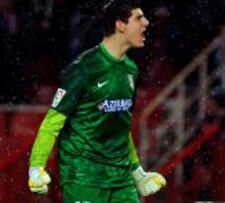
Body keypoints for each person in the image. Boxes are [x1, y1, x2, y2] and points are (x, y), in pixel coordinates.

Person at [27, 0, 166, 202]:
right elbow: (51, 123)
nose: (146, 22)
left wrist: (137, 173)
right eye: (138, 18)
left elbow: (119, 128)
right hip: (84, 177)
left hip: (121, 180)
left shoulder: (131, 70)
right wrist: (36, 167)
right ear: (120, 25)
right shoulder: (83, 69)